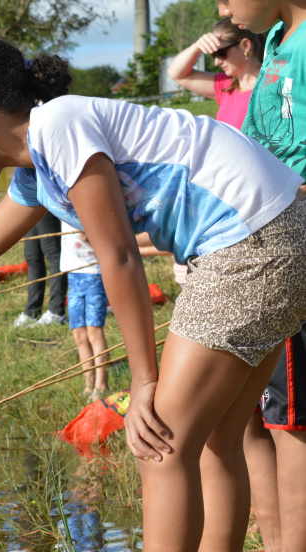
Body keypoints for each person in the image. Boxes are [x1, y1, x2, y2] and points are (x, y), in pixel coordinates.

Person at [0, 37, 306, 551]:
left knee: (159, 445)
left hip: (249, 245)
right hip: (276, 235)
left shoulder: (59, 125)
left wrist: (145, 381)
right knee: (217, 437)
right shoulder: (37, 167)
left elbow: (120, 256)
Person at [221, 0, 306, 549]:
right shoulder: (276, 36)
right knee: (264, 412)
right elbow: (251, 144)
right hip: (265, 239)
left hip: (294, 238)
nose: (223, 9)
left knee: (294, 419)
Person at [167, 18, 264, 129]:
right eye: (214, 55)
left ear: (245, 45)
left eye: (221, 53)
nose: (216, 62)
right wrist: (196, 47)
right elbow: (176, 74)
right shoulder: (226, 86)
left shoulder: (274, 86)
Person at [61, 222, 109, 402]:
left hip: (94, 275)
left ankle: (101, 384)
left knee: (94, 333)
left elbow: (108, 244)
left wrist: (90, 237)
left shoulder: (88, 209)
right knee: (79, 335)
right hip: (73, 277)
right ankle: (89, 384)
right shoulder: (62, 209)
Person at [13, 211, 67, 328]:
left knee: (53, 255)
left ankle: (57, 312)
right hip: (28, 204)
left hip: (42, 202)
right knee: (33, 257)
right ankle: (32, 311)